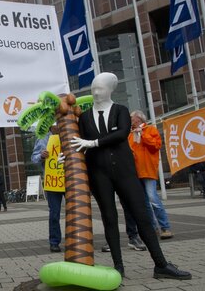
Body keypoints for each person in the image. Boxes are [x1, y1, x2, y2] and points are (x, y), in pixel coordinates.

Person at [71, 72, 191, 279]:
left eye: (100, 89)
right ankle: (118, 267)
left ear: (110, 90)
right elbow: (80, 142)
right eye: (93, 89)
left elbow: (120, 134)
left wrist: (93, 143)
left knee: (141, 215)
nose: (96, 93)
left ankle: (160, 264)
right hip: (99, 174)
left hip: (125, 172)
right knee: (109, 217)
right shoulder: (84, 117)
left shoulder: (121, 111)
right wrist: (71, 157)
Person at [128, 110, 174, 240]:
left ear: (138, 119)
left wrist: (142, 135)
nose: (130, 121)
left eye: (132, 118)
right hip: (136, 173)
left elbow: (156, 145)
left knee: (153, 199)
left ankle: (165, 227)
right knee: (145, 203)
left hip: (148, 170)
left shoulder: (150, 130)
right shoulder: (130, 135)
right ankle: (152, 229)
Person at [31, 124, 64, 253]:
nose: (58, 124)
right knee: (54, 213)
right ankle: (54, 242)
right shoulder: (43, 138)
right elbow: (34, 158)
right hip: (53, 181)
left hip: (69, 179)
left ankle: (78, 239)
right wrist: (41, 156)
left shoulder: (70, 134)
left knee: (76, 211)